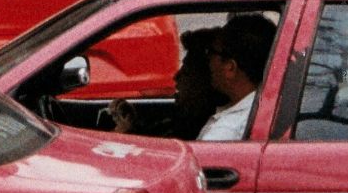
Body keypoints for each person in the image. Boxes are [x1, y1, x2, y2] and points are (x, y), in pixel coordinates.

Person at [107, 26, 220, 140]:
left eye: (186, 73)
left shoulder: (207, 129)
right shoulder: (187, 120)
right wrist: (134, 125)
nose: (176, 77)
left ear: (204, 81)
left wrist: (126, 133)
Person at [197, 14, 276, 142]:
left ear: (230, 67)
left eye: (210, 52)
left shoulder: (225, 132)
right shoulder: (265, 108)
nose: (208, 61)